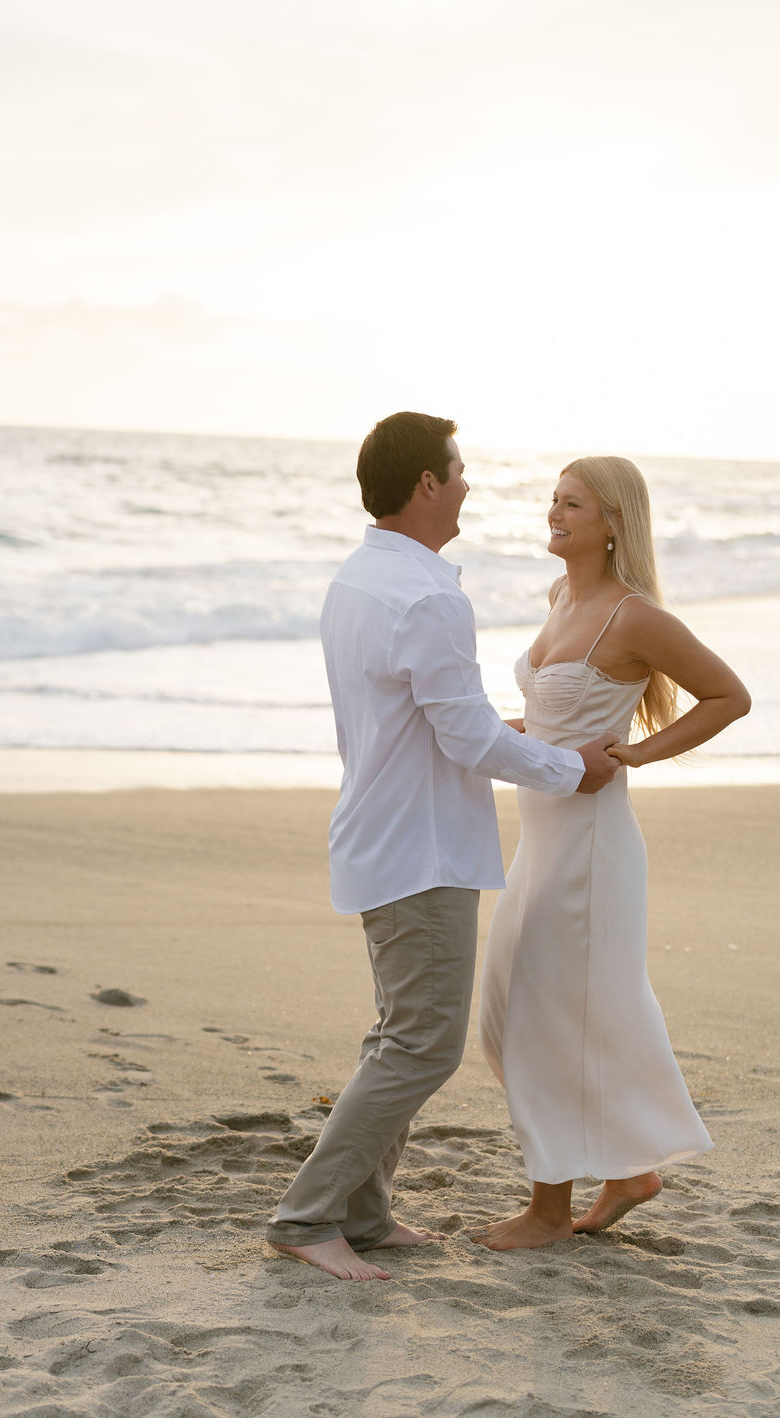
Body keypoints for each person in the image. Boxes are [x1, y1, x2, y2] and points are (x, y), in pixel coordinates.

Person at [265, 413, 620, 1281]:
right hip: (418, 849)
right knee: (424, 1045)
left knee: (398, 1033)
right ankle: (306, 1216)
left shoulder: (358, 579)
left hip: (382, 832)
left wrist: (511, 736)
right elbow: (463, 739)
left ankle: (364, 1210)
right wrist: (569, 768)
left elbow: (426, 722)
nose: (467, 484)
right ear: (426, 483)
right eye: (458, 470)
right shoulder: (426, 595)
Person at [474, 455, 751, 1251]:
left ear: (613, 521)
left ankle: (550, 1211)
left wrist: (637, 756)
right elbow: (555, 713)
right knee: (510, 1014)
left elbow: (729, 695)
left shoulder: (633, 616)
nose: (554, 515)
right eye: (553, 502)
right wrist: (509, 734)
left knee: (546, 1019)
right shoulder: (561, 595)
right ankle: (629, 1170)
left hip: (591, 854)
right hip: (542, 842)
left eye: (572, 504)